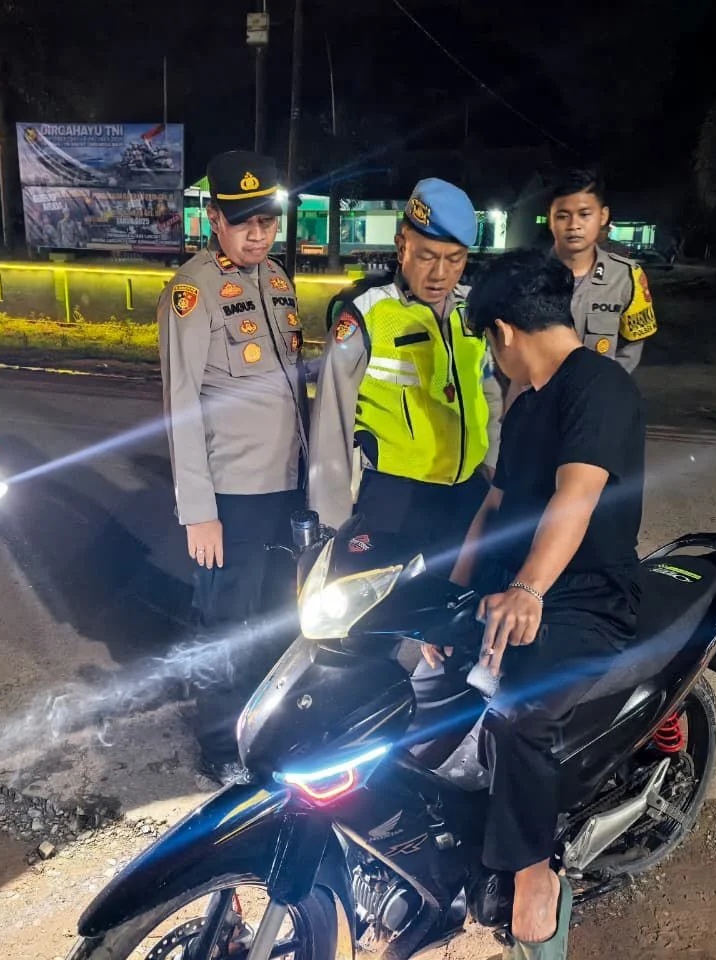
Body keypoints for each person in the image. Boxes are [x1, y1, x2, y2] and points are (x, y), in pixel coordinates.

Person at [424, 248, 645, 956]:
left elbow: (574, 497)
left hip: (586, 598)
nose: (496, 361)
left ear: (504, 333)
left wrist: (528, 588)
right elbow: (493, 507)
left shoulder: (598, 386)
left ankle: (533, 877)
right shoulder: (526, 406)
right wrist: (449, 596)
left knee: (519, 709)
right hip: (515, 587)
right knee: (419, 682)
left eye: (491, 346)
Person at [159, 150, 306, 784]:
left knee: (278, 617)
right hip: (231, 496)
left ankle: (267, 726)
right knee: (223, 620)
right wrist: (199, 511)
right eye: (244, 222)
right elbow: (180, 405)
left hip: (285, 487)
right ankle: (220, 743)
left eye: (267, 222)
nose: (258, 235)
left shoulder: (277, 280)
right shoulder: (191, 292)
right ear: (214, 218)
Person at [309, 178, 501, 573]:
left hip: (468, 494)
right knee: (384, 607)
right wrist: (329, 530)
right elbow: (331, 426)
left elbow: (490, 392)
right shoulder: (366, 314)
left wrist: (495, 468)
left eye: (455, 259)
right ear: (402, 246)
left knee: (463, 602)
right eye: (427, 256)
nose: (440, 273)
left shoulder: (473, 312)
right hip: (392, 502)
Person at [548, 170, 657, 375]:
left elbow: (632, 346)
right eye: (562, 216)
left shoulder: (626, 277)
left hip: (599, 392)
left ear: (603, 216)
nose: (574, 225)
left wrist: (606, 385)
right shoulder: (525, 275)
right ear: (550, 219)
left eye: (584, 215)